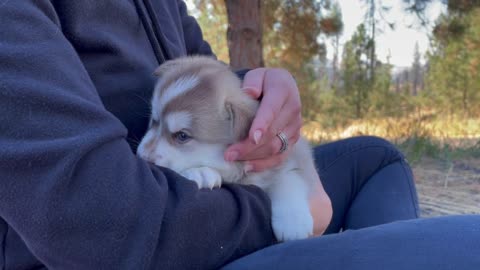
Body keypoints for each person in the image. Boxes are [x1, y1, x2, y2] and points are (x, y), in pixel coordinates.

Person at [0, 1, 478, 270]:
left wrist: (261, 93)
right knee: (467, 246)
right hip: (152, 247)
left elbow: (212, 74)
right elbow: (94, 226)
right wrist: (286, 211)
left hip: (215, 199)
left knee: (376, 157)